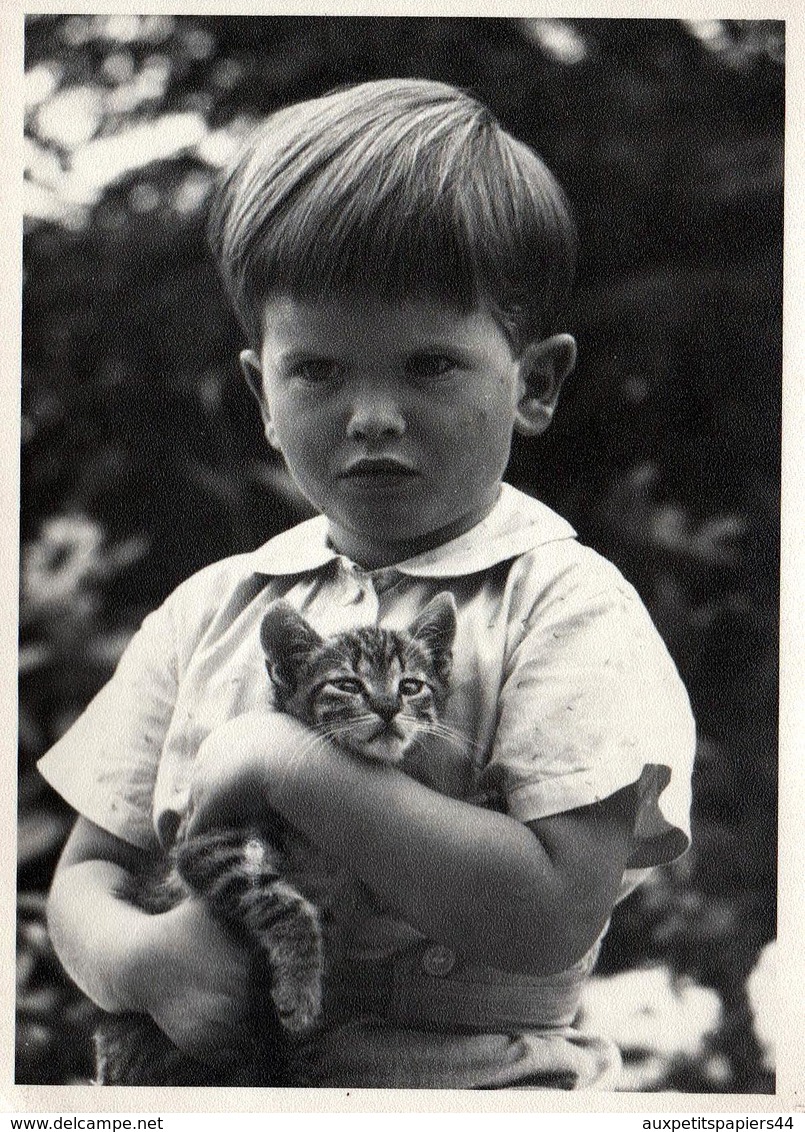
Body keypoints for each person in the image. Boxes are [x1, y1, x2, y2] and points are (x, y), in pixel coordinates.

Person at [39, 77, 696, 1089]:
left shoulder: (565, 606)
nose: (374, 413)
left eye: (429, 365)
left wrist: (287, 761)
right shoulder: (210, 609)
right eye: (321, 371)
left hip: (470, 1093)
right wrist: (144, 961)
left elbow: (551, 910)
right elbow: (84, 877)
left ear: (536, 383)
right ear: (262, 393)